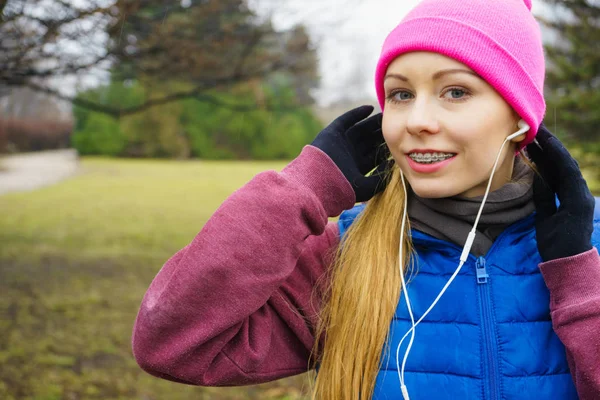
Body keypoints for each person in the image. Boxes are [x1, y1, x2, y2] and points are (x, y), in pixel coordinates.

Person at [131, 0, 600, 398]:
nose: (416, 120)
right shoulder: (347, 254)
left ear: (519, 116)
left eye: (455, 91)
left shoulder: (587, 248)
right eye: (400, 94)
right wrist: (302, 189)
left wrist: (579, 280)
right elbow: (169, 344)